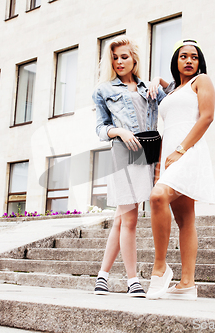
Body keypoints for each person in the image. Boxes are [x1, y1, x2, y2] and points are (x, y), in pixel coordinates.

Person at [92, 36, 167, 297]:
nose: (119, 62)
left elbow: (172, 99)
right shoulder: (104, 90)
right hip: (123, 154)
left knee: (120, 219)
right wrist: (119, 131)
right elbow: (100, 128)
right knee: (131, 218)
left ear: (134, 58)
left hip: (147, 155)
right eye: (115, 58)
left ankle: (102, 277)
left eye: (124, 56)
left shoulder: (149, 88)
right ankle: (133, 281)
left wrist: (158, 80)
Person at [146, 39, 215, 301]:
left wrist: (181, 149)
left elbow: (207, 116)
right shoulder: (176, 90)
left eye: (194, 57)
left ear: (200, 62)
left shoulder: (202, 81)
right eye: (183, 56)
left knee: (157, 197)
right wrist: (162, 82)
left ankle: (160, 267)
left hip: (189, 152)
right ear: (176, 60)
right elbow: (171, 113)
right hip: (171, 155)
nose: (189, 61)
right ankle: (187, 284)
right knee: (185, 220)